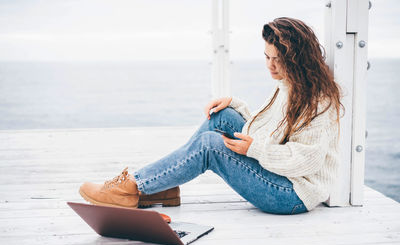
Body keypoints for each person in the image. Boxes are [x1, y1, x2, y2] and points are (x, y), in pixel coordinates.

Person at [79, 17, 343, 215]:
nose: (270, 65)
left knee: (210, 146)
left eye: (278, 59)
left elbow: (306, 161)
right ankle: (162, 187)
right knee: (222, 116)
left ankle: (135, 187)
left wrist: (256, 150)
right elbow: (273, 133)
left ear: (296, 59)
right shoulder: (289, 84)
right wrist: (236, 106)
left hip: (293, 194)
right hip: (279, 174)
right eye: (266, 56)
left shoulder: (317, 100)